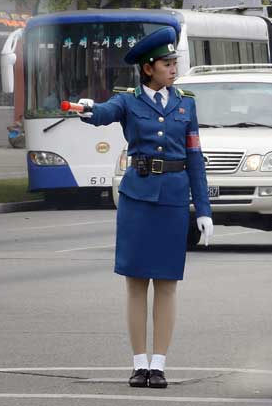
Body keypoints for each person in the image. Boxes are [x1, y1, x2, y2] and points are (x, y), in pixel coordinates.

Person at [77, 27, 213, 389]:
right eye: (167, 63)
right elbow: (104, 112)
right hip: (137, 200)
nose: (173, 68)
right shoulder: (128, 101)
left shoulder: (186, 103)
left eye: (174, 63)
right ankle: (139, 364)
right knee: (136, 283)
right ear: (148, 68)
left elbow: (195, 158)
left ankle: (160, 364)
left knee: (167, 283)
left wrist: (203, 209)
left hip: (171, 199)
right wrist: (88, 111)